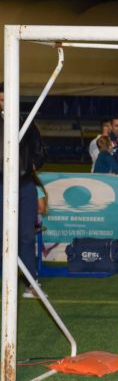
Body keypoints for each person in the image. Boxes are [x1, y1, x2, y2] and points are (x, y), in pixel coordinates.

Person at [0, 82, 48, 299]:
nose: (5, 103)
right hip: (1, 183)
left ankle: (31, 283)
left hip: (24, 184)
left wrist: (33, 164)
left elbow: (41, 150)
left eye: (7, 99)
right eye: (1, 99)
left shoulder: (26, 122)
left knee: (26, 236)